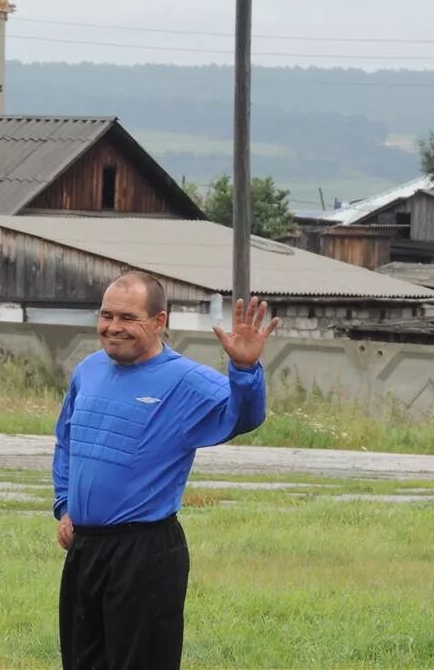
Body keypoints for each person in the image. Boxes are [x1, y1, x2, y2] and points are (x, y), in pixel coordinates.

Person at [52, 270, 280, 670]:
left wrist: (245, 371)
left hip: (145, 553)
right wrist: (64, 505)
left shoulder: (184, 380)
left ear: (160, 322)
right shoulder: (88, 370)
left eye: (128, 318)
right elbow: (67, 442)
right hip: (85, 550)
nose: (113, 327)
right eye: (107, 316)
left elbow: (243, 416)